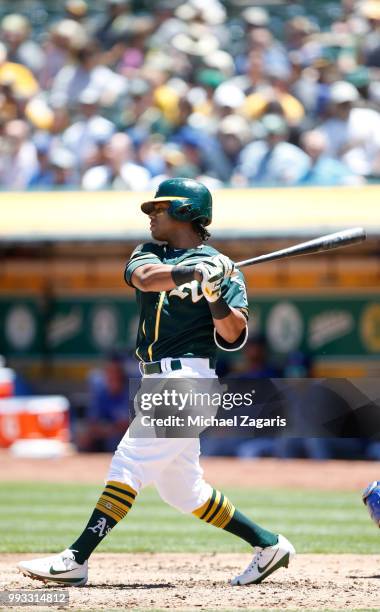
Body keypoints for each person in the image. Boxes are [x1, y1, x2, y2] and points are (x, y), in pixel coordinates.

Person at [18, 178, 295, 587]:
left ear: (184, 212)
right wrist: (190, 272)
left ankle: (77, 557)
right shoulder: (148, 253)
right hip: (155, 378)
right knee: (184, 491)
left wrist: (215, 292)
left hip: (190, 379)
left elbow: (234, 335)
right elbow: (146, 279)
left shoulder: (225, 271)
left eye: (158, 209)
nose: (150, 215)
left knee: (128, 461)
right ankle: (268, 544)